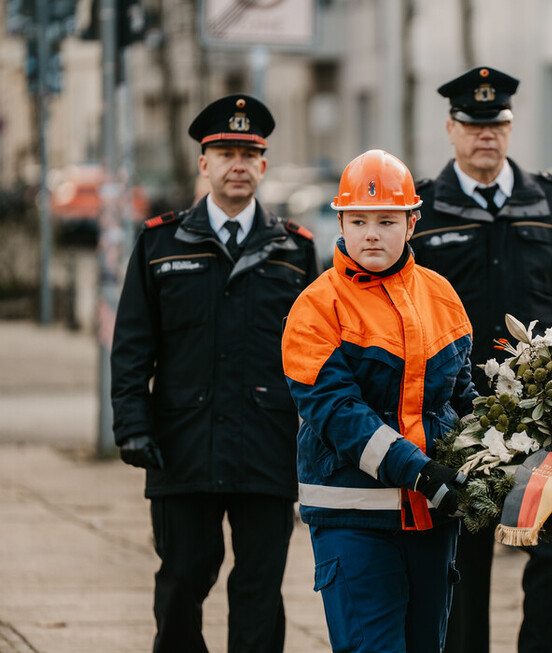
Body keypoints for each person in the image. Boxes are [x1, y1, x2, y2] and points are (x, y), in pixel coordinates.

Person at [110, 94, 322, 652]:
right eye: (225, 152)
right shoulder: (160, 243)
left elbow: (317, 352)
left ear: (264, 165)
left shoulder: (294, 250)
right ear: (204, 163)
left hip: (266, 444)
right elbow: (133, 345)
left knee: (259, 586)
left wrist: (316, 435)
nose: (238, 165)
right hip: (182, 444)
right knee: (182, 579)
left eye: (249, 155)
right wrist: (132, 423)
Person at [410, 66, 552, 653]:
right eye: (473, 124)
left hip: (549, 412)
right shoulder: (423, 212)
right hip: (458, 415)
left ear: (510, 127)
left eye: (496, 123)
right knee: (460, 560)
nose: (485, 134)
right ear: (451, 129)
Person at [281, 149, 477, 652]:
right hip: (353, 517)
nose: (371, 233)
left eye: (386, 220)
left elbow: (463, 400)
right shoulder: (315, 308)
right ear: (341, 222)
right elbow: (336, 413)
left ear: (412, 223)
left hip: (431, 518)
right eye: (358, 220)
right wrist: (420, 470)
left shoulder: (442, 296)